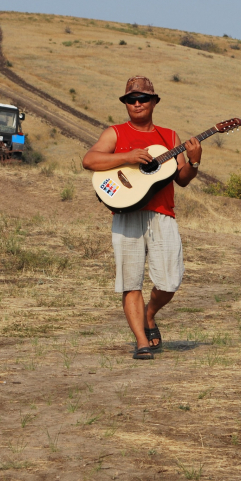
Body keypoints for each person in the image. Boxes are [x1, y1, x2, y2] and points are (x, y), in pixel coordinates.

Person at [82, 76, 202, 360]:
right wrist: (126, 157)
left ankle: (150, 313)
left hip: (162, 215)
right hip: (127, 214)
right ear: (125, 104)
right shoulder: (115, 133)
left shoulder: (169, 137)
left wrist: (195, 161)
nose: (137, 104)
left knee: (170, 280)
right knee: (130, 280)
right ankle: (141, 342)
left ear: (154, 102)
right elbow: (89, 160)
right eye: (131, 100)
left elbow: (182, 179)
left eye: (143, 99)